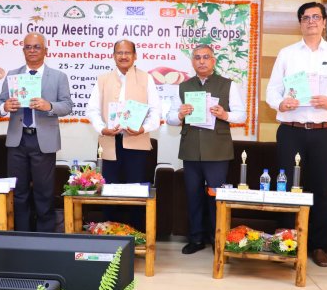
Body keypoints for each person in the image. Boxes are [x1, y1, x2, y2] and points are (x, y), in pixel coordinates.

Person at [266, 2, 327, 267]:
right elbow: (272, 91)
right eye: (306, 18)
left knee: (321, 189)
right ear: (300, 23)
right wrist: (280, 103)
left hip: (324, 132)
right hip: (291, 131)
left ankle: (317, 245)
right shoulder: (287, 54)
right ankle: (284, 241)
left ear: (324, 22)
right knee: (284, 187)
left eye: (316, 17)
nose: (311, 22)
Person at [167, 44, 246, 254]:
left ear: (213, 61)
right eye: (197, 57)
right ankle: (196, 239)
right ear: (192, 61)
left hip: (217, 150)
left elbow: (241, 115)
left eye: (206, 57)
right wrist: (180, 115)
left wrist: (224, 114)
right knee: (193, 196)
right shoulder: (183, 86)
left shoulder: (228, 85)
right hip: (191, 149)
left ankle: (216, 239)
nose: (201, 61)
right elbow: (170, 119)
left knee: (215, 197)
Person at [0, 33, 72, 232]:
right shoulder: (13, 75)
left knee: (44, 192)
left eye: (37, 47)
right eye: (28, 47)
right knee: (18, 192)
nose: (32, 51)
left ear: (46, 50)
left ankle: (44, 239)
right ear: (23, 51)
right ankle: (21, 236)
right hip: (17, 140)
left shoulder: (58, 77)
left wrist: (49, 106)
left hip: (43, 141)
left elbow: (67, 106)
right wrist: (6, 106)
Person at [87, 39, 161, 226]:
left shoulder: (146, 78)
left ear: (135, 56)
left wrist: (143, 128)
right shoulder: (103, 79)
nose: (123, 56)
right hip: (109, 143)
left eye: (127, 52)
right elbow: (92, 110)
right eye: (119, 53)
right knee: (109, 190)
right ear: (113, 56)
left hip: (136, 143)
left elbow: (156, 111)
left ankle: (135, 234)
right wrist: (102, 127)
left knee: (135, 191)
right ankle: (108, 232)